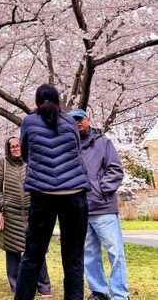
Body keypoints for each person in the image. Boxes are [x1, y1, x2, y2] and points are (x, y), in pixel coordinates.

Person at [15, 84, 89, 300]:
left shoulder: (29, 121)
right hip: (74, 192)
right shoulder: (69, 121)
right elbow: (76, 149)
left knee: (32, 257)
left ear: (37, 102)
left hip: (42, 193)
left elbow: (26, 153)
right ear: (58, 100)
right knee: (73, 257)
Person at [69, 109, 130, 300]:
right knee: (89, 254)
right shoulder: (69, 146)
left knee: (115, 252)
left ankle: (120, 294)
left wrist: (100, 189)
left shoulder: (103, 142)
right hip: (80, 210)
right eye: (73, 121)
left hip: (103, 208)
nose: (77, 123)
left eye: (80, 119)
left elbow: (115, 169)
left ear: (88, 120)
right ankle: (99, 291)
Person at [0, 137, 52, 296]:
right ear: (8, 149)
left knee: (37, 249)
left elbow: (40, 183)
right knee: (12, 251)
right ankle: (17, 285)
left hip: (32, 213)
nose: (16, 149)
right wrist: (3, 204)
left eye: (18, 146)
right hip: (11, 214)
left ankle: (44, 285)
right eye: (13, 147)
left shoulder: (31, 163)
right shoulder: (1, 165)